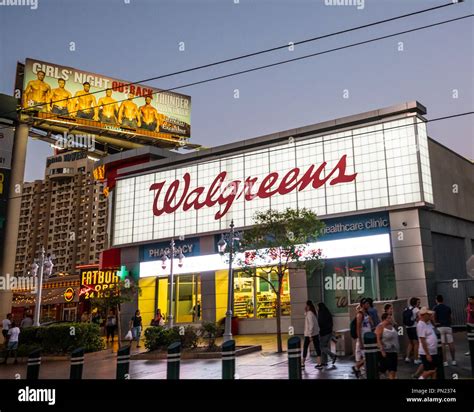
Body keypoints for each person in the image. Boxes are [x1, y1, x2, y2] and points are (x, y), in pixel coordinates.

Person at [432, 295, 456, 366]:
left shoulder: (435, 307)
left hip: (440, 327)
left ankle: (445, 361)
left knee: (442, 344)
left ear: (436, 300)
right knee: (450, 343)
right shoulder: (447, 307)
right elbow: (451, 317)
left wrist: (435, 324)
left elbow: (433, 317)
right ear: (443, 300)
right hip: (448, 326)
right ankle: (453, 360)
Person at [352, 298, 373, 378]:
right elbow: (358, 328)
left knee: (364, 356)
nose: (368, 305)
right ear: (363, 305)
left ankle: (358, 369)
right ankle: (357, 368)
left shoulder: (367, 313)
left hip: (367, 338)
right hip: (363, 338)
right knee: (367, 356)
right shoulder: (360, 314)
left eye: (368, 303)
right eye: (366, 304)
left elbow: (371, 324)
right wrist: (360, 341)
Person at [417, 307, 439, 379]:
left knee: (434, 370)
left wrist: (432, 319)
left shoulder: (428, 323)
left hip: (433, 351)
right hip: (426, 352)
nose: (430, 316)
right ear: (423, 315)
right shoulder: (421, 324)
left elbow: (434, 324)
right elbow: (422, 340)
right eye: (428, 314)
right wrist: (427, 354)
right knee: (429, 371)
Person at [375, 313, 399, 379]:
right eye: (389, 318)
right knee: (386, 370)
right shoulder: (380, 326)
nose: (390, 319)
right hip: (386, 352)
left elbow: (399, 331)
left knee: (393, 371)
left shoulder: (391, 325)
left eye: (390, 317)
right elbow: (378, 339)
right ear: (384, 319)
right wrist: (382, 350)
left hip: (393, 351)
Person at [301, 300, 321, 369]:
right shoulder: (312, 313)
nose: (305, 306)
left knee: (305, 348)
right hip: (315, 333)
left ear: (308, 306)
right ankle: (319, 363)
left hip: (309, 334)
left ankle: (303, 363)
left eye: (306, 305)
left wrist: (310, 335)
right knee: (317, 347)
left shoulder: (309, 314)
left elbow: (311, 325)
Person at [317, 302, 337, 367]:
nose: (317, 308)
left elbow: (320, 323)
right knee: (324, 346)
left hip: (324, 332)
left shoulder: (321, 314)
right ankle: (324, 362)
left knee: (322, 347)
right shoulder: (327, 312)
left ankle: (333, 355)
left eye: (318, 307)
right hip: (329, 332)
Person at [404, 297, 421, 364]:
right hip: (414, 327)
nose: (419, 304)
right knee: (416, 343)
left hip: (408, 327)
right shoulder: (416, 309)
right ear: (415, 303)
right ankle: (416, 359)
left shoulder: (406, 308)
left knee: (410, 343)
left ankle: (407, 357)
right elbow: (420, 318)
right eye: (418, 302)